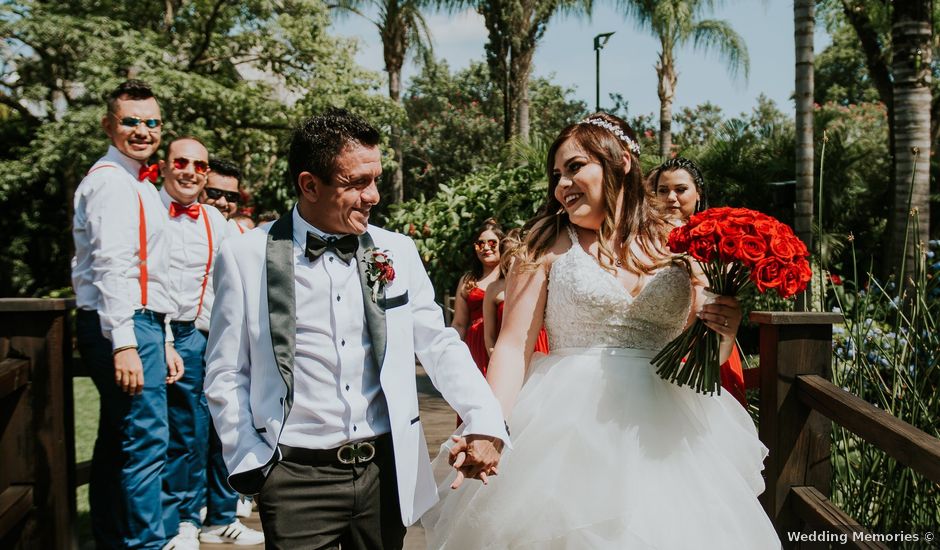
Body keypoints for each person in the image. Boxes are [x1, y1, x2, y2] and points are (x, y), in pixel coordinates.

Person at [422, 113, 780, 548]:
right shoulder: (544, 245)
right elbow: (514, 347)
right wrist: (490, 426)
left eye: (574, 167)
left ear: (621, 162)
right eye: (556, 175)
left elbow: (709, 357)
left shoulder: (681, 244)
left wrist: (725, 329)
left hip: (669, 431)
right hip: (565, 430)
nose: (562, 184)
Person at [203, 108, 509, 549]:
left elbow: (439, 343)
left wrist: (484, 416)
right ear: (310, 185)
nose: (374, 196)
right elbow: (225, 371)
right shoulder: (244, 257)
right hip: (294, 477)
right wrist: (253, 462)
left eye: (376, 179)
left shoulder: (397, 251)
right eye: (357, 183)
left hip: (384, 471)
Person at [72, 79, 179, 549]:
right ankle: (145, 544)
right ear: (108, 125)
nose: (142, 130)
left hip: (143, 321)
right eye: (130, 121)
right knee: (145, 440)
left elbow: (153, 272)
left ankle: (114, 539)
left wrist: (166, 337)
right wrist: (126, 343)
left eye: (151, 122)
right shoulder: (111, 185)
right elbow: (113, 268)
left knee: (120, 440)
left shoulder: (140, 184)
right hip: (125, 322)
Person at [155, 138, 262, 548]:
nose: (220, 200)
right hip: (180, 334)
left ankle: (220, 515)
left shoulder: (225, 228)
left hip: (222, 338)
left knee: (225, 428)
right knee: (187, 431)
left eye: (229, 195)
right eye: (213, 192)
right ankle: (183, 517)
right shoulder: (160, 214)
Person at [647, 157, 747, 407]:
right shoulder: (643, 240)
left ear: (698, 193)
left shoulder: (720, 239)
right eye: (663, 190)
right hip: (662, 348)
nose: (671, 198)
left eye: (681, 190)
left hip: (711, 344)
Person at [481, 229, 549, 357]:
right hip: (512, 351)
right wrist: (496, 358)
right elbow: (489, 336)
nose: (514, 257)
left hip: (542, 347)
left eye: (518, 252)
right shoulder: (494, 288)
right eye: (509, 253)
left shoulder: (540, 281)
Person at [450, 218, 504, 376]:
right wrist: (452, 353)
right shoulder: (469, 280)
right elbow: (459, 323)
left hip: (502, 342)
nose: (486, 247)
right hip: (475, 346)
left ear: (502, 244)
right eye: (481, 243)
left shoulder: (511, 277)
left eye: (492, 243)